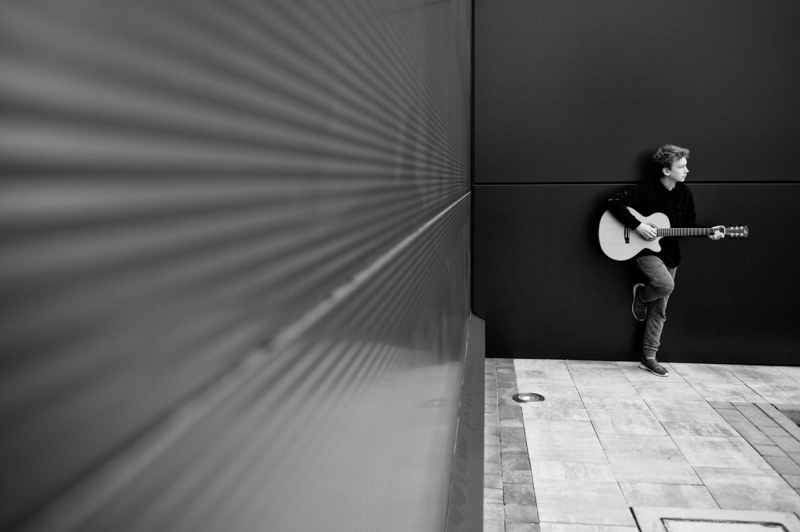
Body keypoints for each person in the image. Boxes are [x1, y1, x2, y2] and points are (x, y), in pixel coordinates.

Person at [606, 144, 724, 377]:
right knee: (665, 285)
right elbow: (613, 201)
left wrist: (708, 232)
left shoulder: (684, 193)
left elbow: (688, 225)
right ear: (667, 170)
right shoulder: (646, 189)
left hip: (670, 255)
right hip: (644, 253)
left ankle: (649, 358)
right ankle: (641, 296)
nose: (687, 170)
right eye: (682, 166)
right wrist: (638, 226)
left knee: (660, 310)